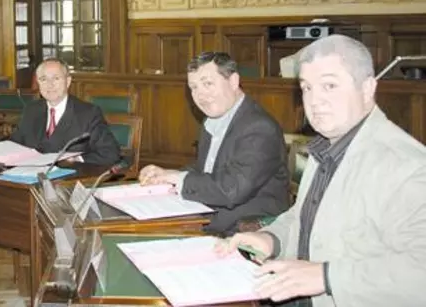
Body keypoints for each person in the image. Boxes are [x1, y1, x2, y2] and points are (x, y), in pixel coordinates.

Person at [217, 35, 426, 306]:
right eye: (307, 88)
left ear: (367, 89)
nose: (315, 101)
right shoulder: (326, 147)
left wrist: (326, 276)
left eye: (330, 85)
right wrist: (272, 239)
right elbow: (305, 216)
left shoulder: (408, 166)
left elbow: (420, 272)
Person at [139, 52, 289, 234]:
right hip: (215, 216)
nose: (200, 95)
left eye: (208, 84)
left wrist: (178, 180)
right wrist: (169, 174)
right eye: (193, 87)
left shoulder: (259, 128)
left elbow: (230, 189)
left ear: (233, 81)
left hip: (246, 229)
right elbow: (208, 169)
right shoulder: (215, 119)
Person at [9, 57, 121, 166]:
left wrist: (77, 159)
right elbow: (15, 143)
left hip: (69, 179)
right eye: (43, 79)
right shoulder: (31, 110)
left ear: (68, 81)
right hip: (29, 177)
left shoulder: (88, 113)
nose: (50, 84)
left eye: (56, 78)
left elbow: (110, 153)